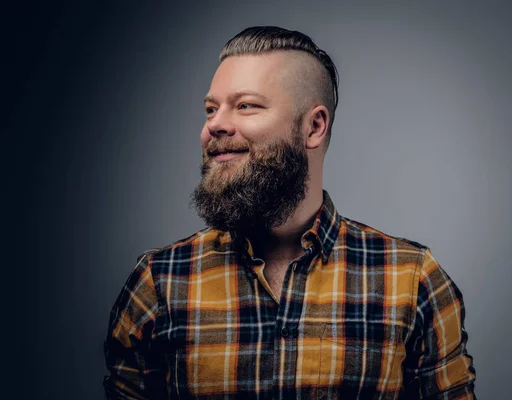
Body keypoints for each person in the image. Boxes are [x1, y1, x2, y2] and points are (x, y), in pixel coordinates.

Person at [104, 26, 477, 399]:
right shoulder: (159, 282)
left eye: (246, 105)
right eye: (211, 109)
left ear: (314, 127)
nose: (214, 124)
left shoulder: (412, 280)